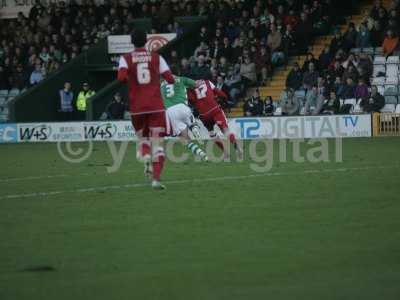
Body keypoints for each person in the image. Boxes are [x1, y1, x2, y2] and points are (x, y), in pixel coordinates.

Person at [117, 28, 175, 190]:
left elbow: (121, 78)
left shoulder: (125, 58)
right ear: (147, 40)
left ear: (131, 41)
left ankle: (145, 154)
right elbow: (170, 79)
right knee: (158, 143)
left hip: (137, 107)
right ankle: (156, 180)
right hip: (156, 106)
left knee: (143, 139)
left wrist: (132, 78)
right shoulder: (157, 57)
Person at [188, 79, 242, 160]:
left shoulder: (191, 87)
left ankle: (226, 154)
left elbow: (191, 100)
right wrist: (225, 98)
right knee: (225, 130)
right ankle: (237, 147)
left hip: (204, 114)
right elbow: (219, 92)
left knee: (212, 134)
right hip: (215, 110)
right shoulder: (207, 82)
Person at [160, 75, 208, 161]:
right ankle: (194, 128)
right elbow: (196, 84)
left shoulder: (161, 86)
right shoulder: (182, 79)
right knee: (192, 123)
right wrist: (202, 81)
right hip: (182, 106)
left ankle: (201, 154)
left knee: (184, 138)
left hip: (170, 111)